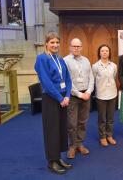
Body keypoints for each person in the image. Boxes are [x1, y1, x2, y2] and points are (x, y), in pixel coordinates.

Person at [34, 32, 72, 174]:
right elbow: (46, 82)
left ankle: (59, 157)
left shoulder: (60, 59)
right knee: (52, 129)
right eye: (52, 42)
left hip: (63, 98)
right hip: (51, 98)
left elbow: (68, 79)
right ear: (46, 44)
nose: (55, 45)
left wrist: (67, 96)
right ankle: (52, 161)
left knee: (61, 128)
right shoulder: (42, 59)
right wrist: (60, 98)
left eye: (57, 42)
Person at [64, 38, 94, 159]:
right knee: (72, 123)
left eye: (78, 46)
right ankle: (72, 146)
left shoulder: (86, 60)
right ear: (70, 47)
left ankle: (80, 144)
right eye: (74, 46)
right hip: (73, 96)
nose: (76, 48)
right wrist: (79, 94)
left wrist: (88, 91)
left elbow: (91, 77)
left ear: (81, 47)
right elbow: (67, 81)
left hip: (86, 95)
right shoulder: (65, 61)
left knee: (82, 122)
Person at [92, 44, 118, 147]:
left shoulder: (114, 66)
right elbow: (93, 79)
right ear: (99, 53)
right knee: (102, 118)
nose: (104, 52)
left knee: (110, 118)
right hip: (101, 95)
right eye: (102, 51)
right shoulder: (95, 66)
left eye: (106, 51)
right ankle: (102, 137)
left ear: (109, 53)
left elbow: (114, 76)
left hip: (112, 94)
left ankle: (109, 135)